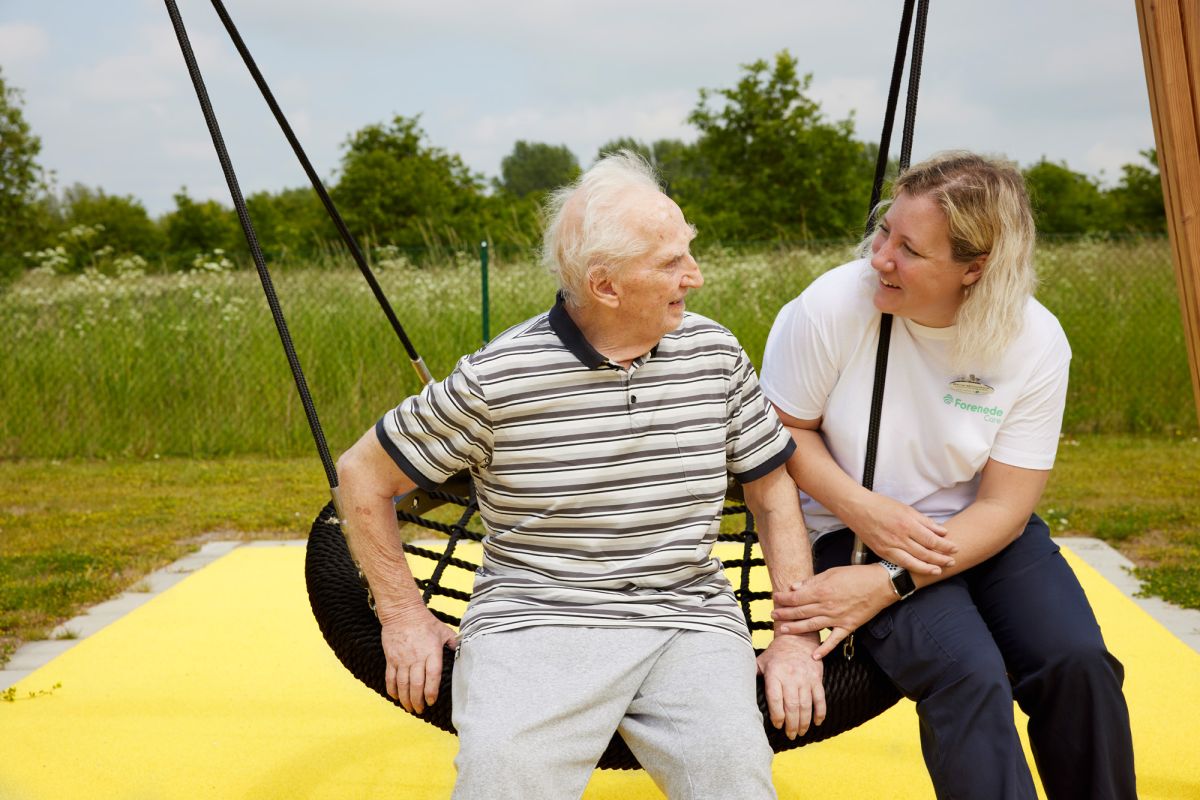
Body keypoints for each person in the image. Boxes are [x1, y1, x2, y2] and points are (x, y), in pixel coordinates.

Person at [336, 151, 824, 800]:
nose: (696, 276)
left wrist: (795, 636)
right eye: (671, 262)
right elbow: (359, 475)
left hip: (685, 618)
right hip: (536, 620)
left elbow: (772, 493)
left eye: (690, 251)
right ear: (605, 286)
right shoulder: (498, 378)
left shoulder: (714, 351)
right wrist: (403, 616)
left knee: (735, 779)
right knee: (500, 783)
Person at [760, 151, 1136, 800]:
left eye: (909, 249)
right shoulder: (834, 306)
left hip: (982, 535)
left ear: (975, 268)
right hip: (852, 530)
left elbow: (1006, 507)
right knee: (969, 674)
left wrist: (891, 583)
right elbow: (780, 430)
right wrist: (862, 510)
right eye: (885, 231)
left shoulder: (1034, 341)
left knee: (1078, 665)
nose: (879, 256)